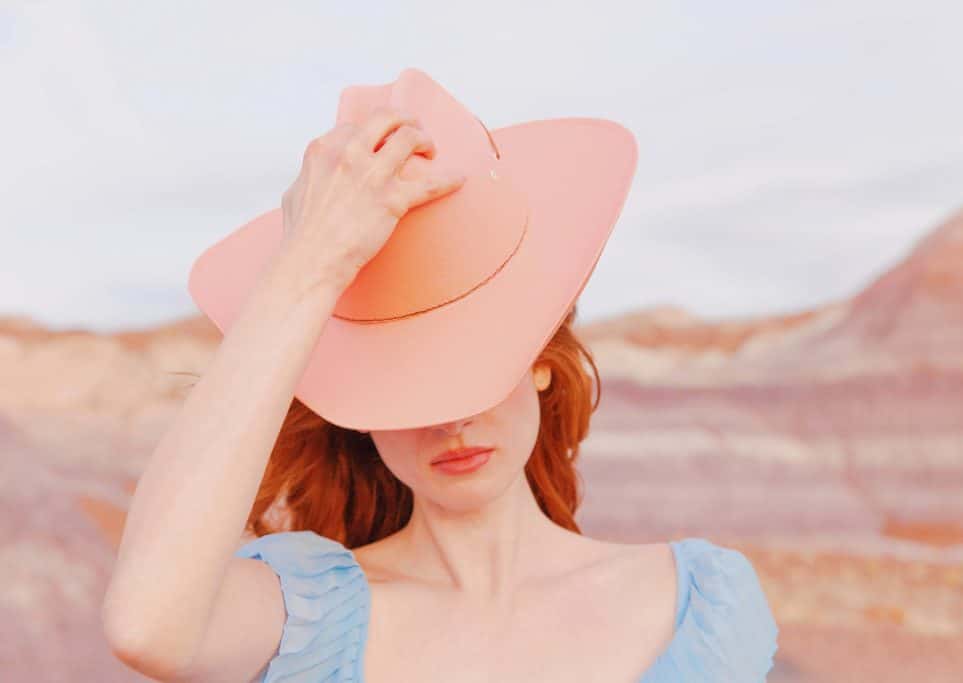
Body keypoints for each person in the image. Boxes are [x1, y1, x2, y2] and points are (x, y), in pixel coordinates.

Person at [101, 68, 778, 682]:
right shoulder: (309, 620)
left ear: (540, 359)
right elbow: (146, 625)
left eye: (474, 364)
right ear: (360, 409)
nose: (450, 420)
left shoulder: (706, 605)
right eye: (408, 384)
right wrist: (307, 266)